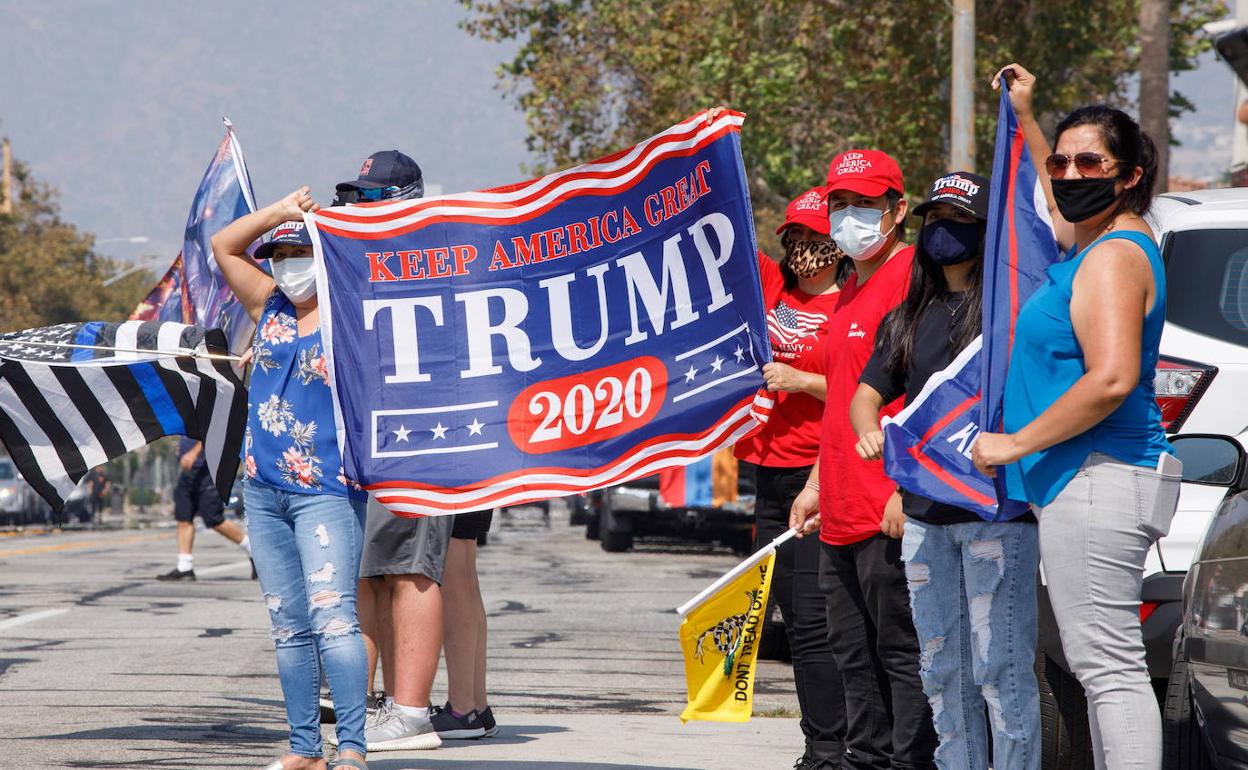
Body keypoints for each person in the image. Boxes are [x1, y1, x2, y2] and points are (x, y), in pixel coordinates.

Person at [972, 64, 1179, 770]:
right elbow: (1057, 199)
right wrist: (1029, 118)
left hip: (1097, 477)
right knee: (1102, 665)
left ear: (1129, 175)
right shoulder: (1094, 242)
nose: (1068, 172)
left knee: (1108, 668)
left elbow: (1113, 377)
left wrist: (1014, 444)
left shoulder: (1113, 258)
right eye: (1060, 162)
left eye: (1089, 161)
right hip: (1087, 480)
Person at [852, 172, 1041, 769]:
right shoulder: (911, 315)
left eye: (957, 219)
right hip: (925, 521)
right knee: (941, 672)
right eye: (934, 219)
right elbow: (869, 392)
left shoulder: (1010, 316)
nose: (942, 231)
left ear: (984, 231)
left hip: (996, 515)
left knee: (1001, 670)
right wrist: (867, 429)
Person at [790, 149, 938, 769]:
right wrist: (816, 483)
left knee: (901, 651)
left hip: (888, 506)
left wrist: (907, 489)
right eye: (840, 204)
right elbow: (844, 397)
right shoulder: (850, 285)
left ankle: (910, 763)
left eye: (864, 204)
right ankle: (866, 760)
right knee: (851, 651)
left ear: (897, 210)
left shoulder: (912, 279)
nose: (849, 217)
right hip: (841, 503)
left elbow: (931, 394)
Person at [211, 206, 370, 770]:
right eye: (278, 257)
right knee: (288, 626)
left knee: (334, 619)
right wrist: (280, 212)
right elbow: (224, 245)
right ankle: (306, 749)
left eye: (298, 254)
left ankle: (351, 747)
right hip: (263, 489)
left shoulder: (351, 314)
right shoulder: (267, 305)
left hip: (328, 487)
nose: (287, 267)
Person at [325, 151, 455, 754]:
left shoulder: (433, 253)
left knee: (411, 571)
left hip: (421, 438)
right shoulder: (361, 262)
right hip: (365, 438)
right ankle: (372, 705)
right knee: (368, 575)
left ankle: (411, 712)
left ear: (405, 199)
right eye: (356, 197)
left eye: (373, 197)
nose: (360, 207)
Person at [732, 186, 849, 770]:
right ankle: (823, 744)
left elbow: (864, 389)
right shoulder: (774, 288)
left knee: (813, 621)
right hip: (767, 475)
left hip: (816, 473)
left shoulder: (850, 304)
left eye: (813, 235)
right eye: (794, 237)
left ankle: (828, 749)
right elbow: (725, 232)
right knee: (786, 617)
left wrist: (803, 383)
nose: (803, 247)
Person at [429, 508, 499, 740]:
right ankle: (476, 707)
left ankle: (462, 709)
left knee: (454, 572)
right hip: (474, 473)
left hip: (452, 475)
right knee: (465, 572)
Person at [156, 437, 253, 581]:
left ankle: (252, 550)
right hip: (188, 474)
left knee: (214, 519)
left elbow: (211, 434)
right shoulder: (186, 415)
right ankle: (185, 567)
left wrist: (193, 453)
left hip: (206, 472)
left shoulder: (206, 415)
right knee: (183, 517)